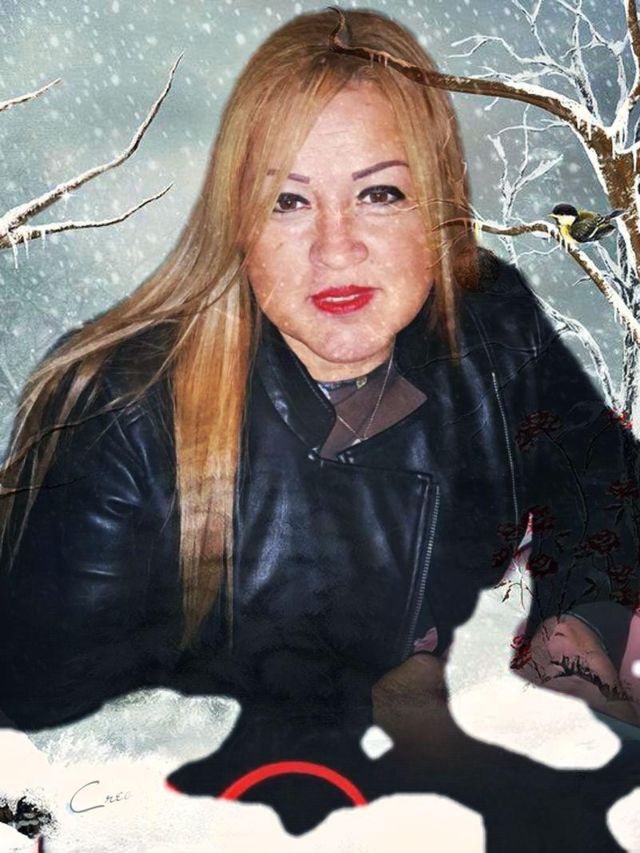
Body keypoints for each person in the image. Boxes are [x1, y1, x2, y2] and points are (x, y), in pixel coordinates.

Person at [1, 6, 639, 842]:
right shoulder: (116, 410)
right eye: (289, 200)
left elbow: (601, 489)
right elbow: (42, 708)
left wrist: (579, 631)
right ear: (237, 223)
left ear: (439, 212)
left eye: (380, 193)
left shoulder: (490, 328)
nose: (337, 248)